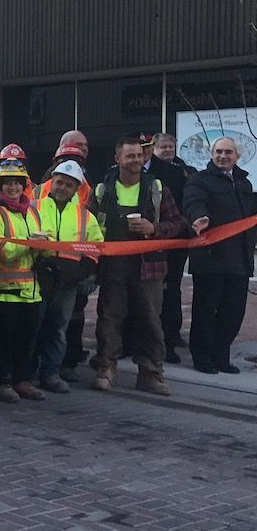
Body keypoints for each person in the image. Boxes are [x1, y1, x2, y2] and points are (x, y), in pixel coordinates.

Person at [87, 135, 188, 394]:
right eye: (130, 156)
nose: (136, 160)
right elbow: (85, 226)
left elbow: (178, 224)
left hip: (149, 267)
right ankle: (106, 367)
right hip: (113, 266)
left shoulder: (157, 188)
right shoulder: (101, 190)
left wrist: (153, 228)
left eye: (140, 156)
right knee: (109, 318)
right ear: (117, 158)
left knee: (151, 320)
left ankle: (151, 372)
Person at [0, 160, 47, 402]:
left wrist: (43, 249)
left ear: (24, 185)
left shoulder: (33, 211)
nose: (13, 188)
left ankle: (22, 380)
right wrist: (24, 246)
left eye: (17, 183)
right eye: (8, 183)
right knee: (2, 341)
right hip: (4, 290)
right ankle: (2, 382)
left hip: (32, 290)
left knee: (26, 341)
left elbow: (42, 244)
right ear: (0, 186)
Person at [183, 137, 256, 375]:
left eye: (228, 152)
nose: (223, 156)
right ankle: (202, 357)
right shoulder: (199, 180)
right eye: (219, 152)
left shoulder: (244, 184)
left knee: (233, 313)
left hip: (240, 260)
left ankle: (221, 356)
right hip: (210, 259)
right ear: (212, 154)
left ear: (237, 156)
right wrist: (199, 217)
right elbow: (194, 203)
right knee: (205, 312)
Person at [32, 160, 104, 393]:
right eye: (59, 182)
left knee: (58, 328)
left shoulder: (85, 216)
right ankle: (27, 372)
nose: (62, 188)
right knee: (33, 326)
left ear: (76, 189)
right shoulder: (33, 207)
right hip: (36, 275)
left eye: (68, 185)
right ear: (52, 182)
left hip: (68, 282)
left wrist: (83, 271)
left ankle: (50, 373)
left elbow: (95, 246)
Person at [149, 132, 195, 362]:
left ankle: (173, 333)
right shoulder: (151, 173)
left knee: (174, 287)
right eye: (164, 147)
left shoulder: (184, 169)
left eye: (171, 146)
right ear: (155, 148)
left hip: (179, 238)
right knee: (160, 289)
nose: (168, 150)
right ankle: (162, 338)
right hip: (158, 238)